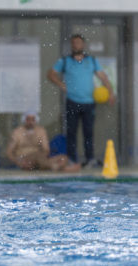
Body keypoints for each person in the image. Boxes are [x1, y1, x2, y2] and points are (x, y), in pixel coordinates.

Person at [47, 34, 115, 168]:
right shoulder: (65, 61)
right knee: (71, 132)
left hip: (89, 103)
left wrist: (111, 93)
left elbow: (103, 76)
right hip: (72, 101)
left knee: (88, 132)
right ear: (72, 45)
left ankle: (89, 159)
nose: (76, 45)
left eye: (78, 43)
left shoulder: (91, 61)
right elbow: (50, 74)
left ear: (83, 45)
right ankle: (72, 159)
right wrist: (61, 85)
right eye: (74, 43)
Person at [6, 111, 81, 172]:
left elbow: (46, 149)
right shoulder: (18, 132)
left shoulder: (40, 131)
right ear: (24, 120)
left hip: (40, 159)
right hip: (25, 159)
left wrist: (41, 156)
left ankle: (51, 167)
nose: (30, 122)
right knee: (35, 157)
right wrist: (18, 162)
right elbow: (9, 152)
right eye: (28, 119)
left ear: (36, 120)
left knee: (63, 158)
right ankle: (60, 168)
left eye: (33, 119)